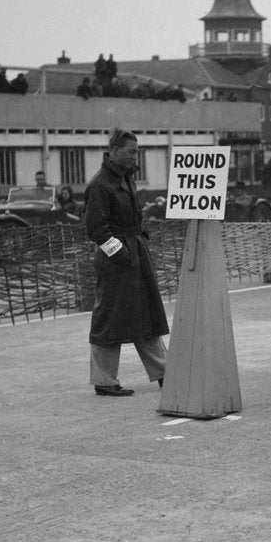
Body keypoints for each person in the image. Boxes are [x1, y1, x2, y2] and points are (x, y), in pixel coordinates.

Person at [83, 129, 168, 397]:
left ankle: (166, 372)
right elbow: (97, 229)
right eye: (131, 152)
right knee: (110, 318)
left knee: (147, 313)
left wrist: (137, 248)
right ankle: (104, 380)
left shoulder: (125, 178)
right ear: (114, 151)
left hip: (135, 254)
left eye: (137, 152)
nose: (135, 156)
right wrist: (121, 255)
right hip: (117, 260)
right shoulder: (100, 184)